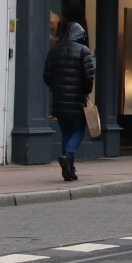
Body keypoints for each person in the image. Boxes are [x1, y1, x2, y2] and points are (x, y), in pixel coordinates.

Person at [44, 21, 94, 182]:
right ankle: (67, 155)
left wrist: (57, 88)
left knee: (66, 132)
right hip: (76, 100)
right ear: (80, 35)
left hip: (59, 100)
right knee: (79, 129)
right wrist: (86, 91)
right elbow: (88, 77)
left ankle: (70, 169)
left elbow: (47, 76)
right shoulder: (83, 51)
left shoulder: (54, 51)